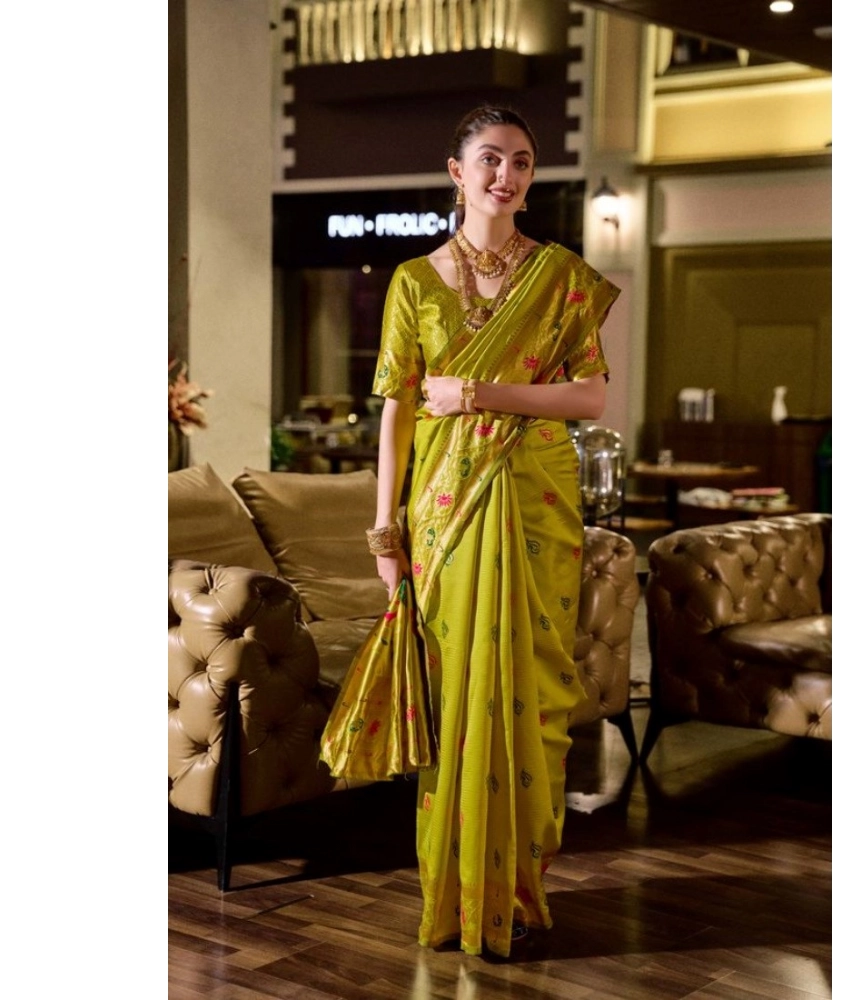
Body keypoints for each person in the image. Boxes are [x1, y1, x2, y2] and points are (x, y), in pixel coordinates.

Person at [366, 105, 620, 959]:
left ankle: (516, 889)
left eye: (519, 161)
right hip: (444, 508)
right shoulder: (413, 281)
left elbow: (590, 397)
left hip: (538, 497)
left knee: (533, 690)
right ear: (456, 170)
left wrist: (478, 393)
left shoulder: (562, 276)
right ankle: (455, 894)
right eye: (488, 158)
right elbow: (398, 414)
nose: (504, 175)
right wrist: (385, 531)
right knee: (457, 696)